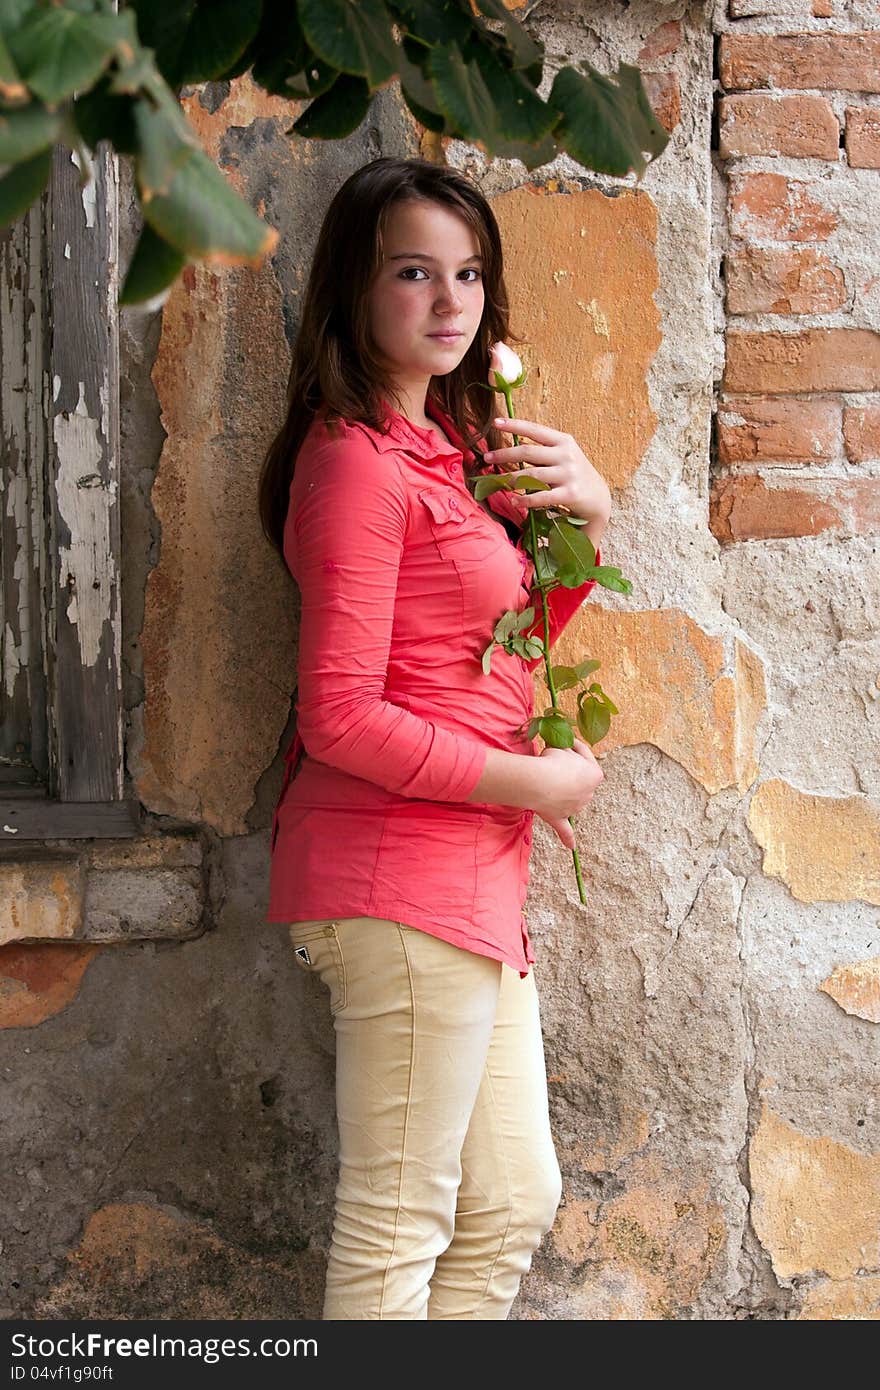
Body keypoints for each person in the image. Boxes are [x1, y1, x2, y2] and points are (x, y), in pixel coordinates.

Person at [257, 156, 610, 1320]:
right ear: (354, 291)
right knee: (399, 1222)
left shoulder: (450, 458)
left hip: (472, 878)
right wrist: (537, 780)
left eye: (467, 274)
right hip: (392, 875)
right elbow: (341, 714)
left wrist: (588, 521)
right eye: (414, 272)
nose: (450, 301)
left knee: (512, 1200)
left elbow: (495, 650)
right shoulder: (353, 463)